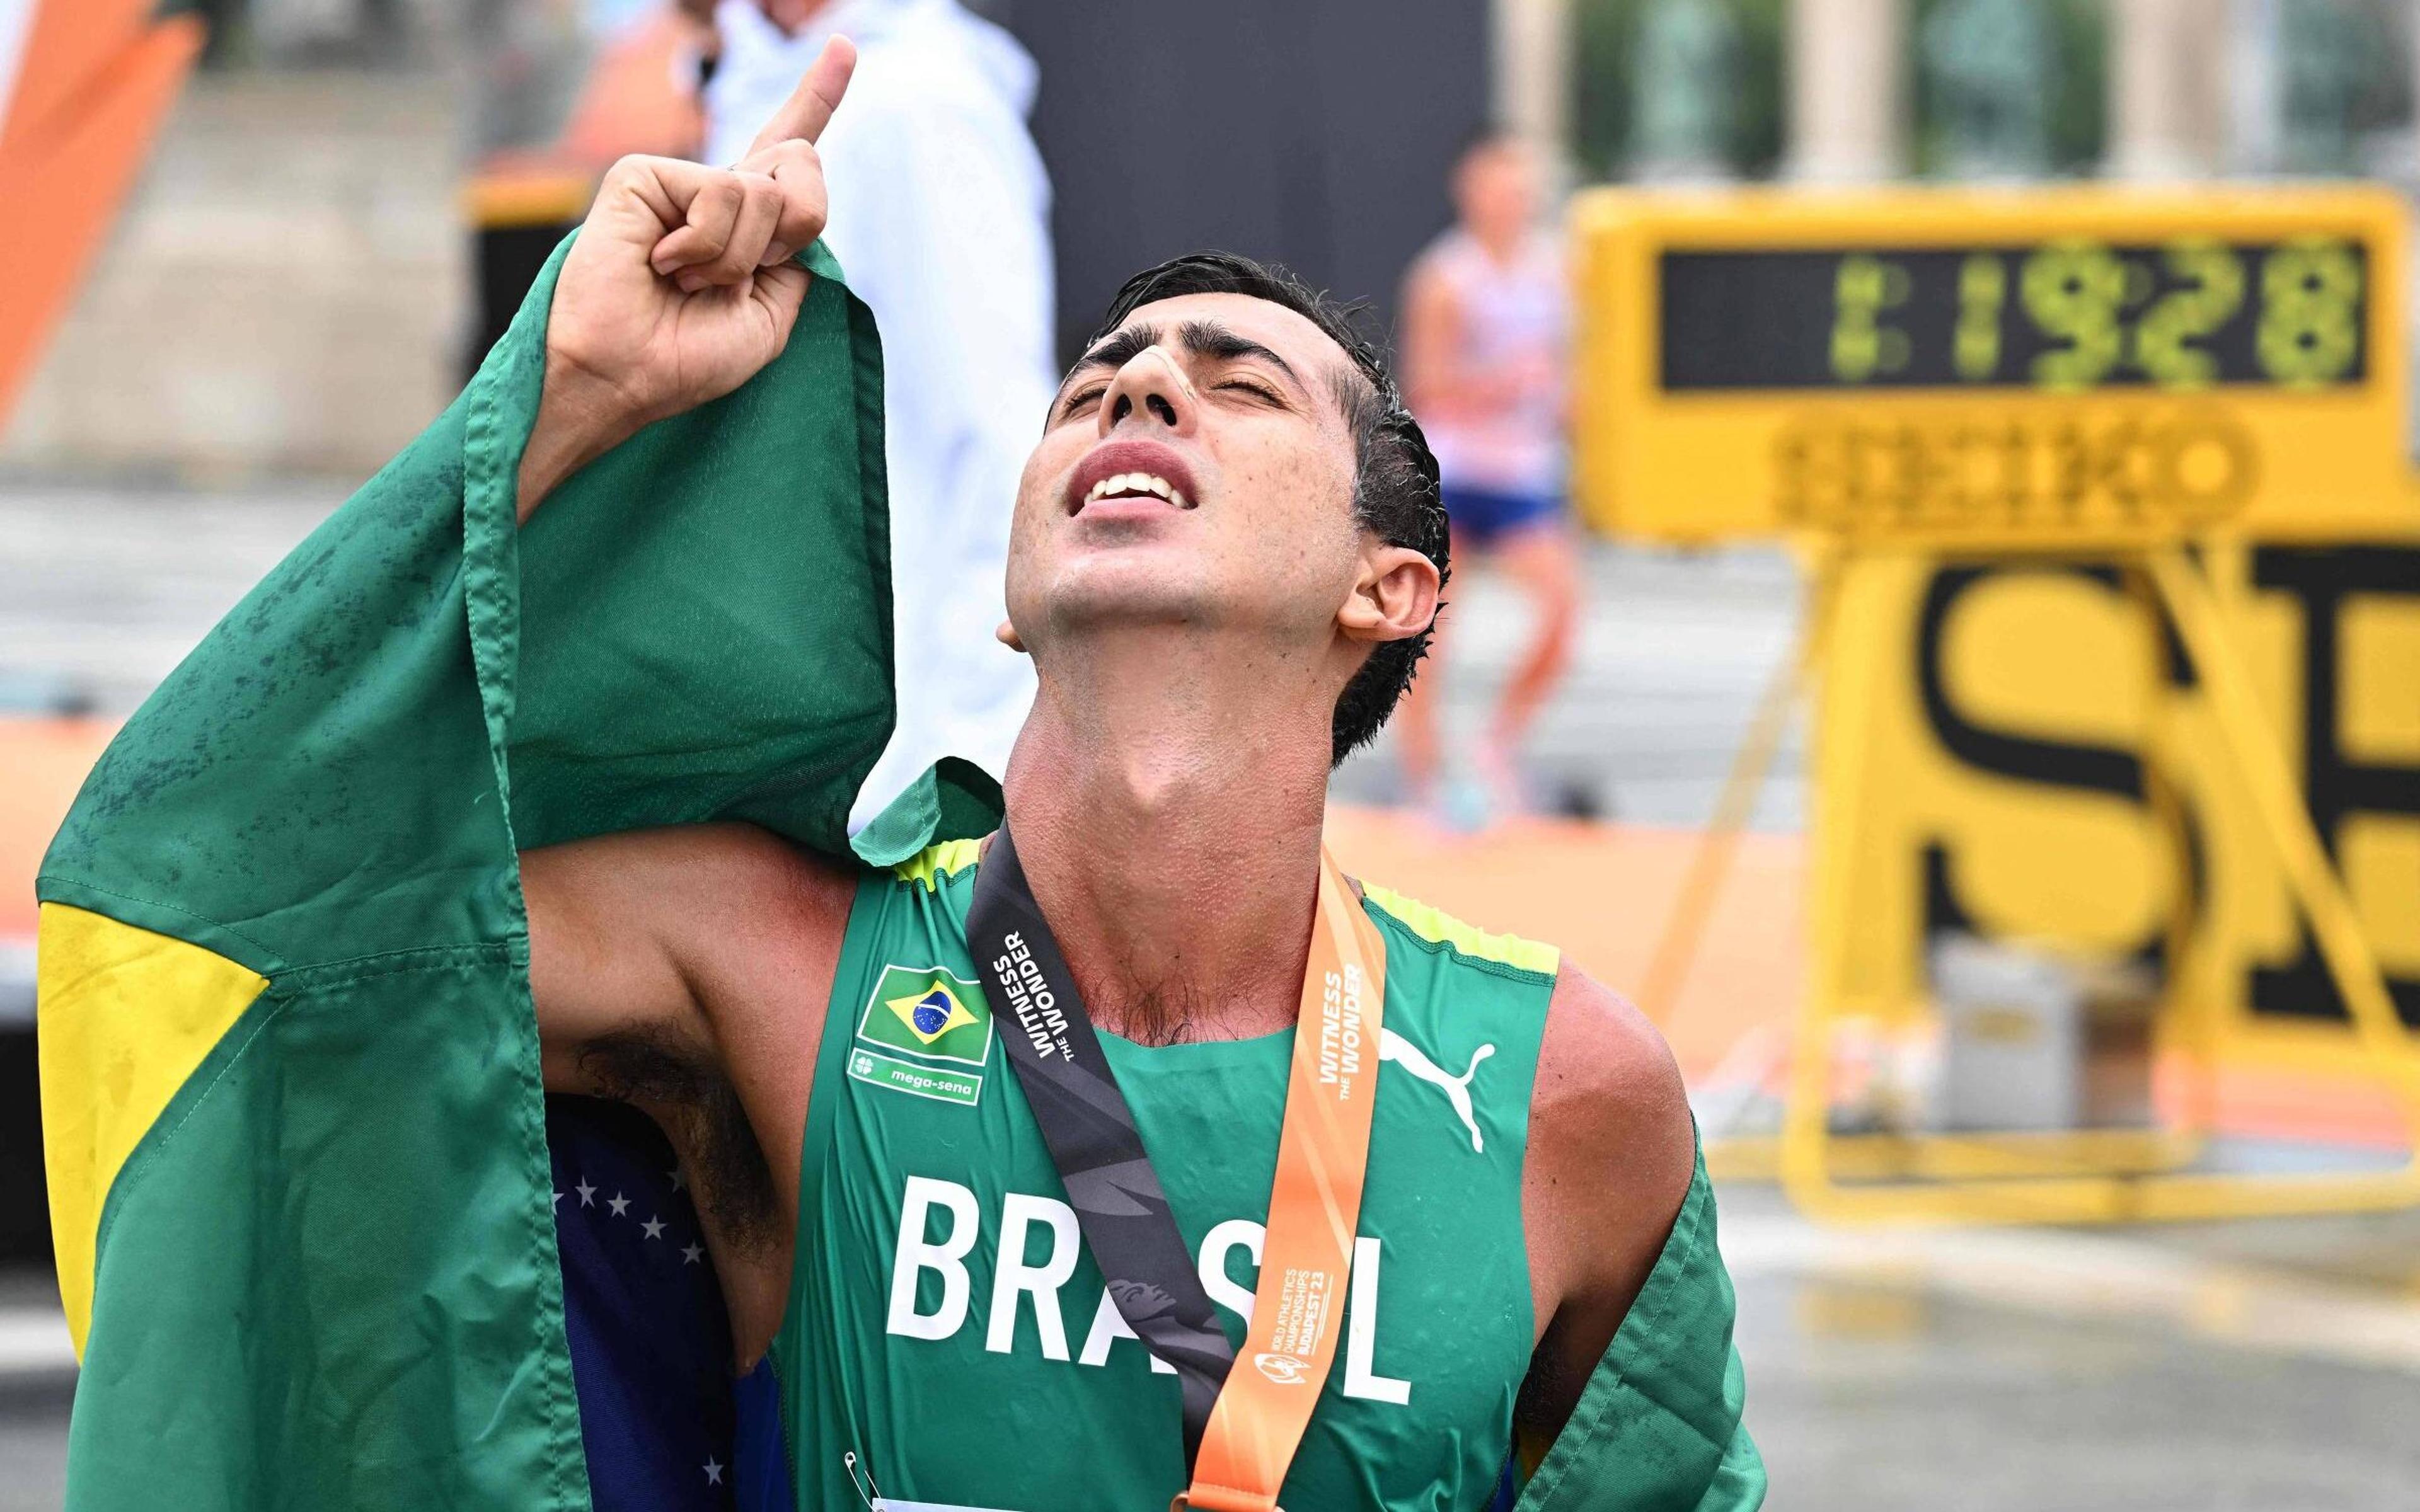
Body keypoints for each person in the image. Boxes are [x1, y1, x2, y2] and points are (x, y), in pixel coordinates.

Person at [447, 45, 1757, 1507]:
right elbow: (250, 902)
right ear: (1011, 592)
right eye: (1092, 386)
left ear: (1387, 587)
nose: (1136, 380)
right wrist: (561, 405)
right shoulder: (771, 961)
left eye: (1237, 384)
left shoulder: (1563, 1087)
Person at [700, 0, 1055, 823]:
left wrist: (970, 761)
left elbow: (995, 433)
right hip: (784, 719)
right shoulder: (757, 84)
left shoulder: (919, 102)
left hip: (894, 767)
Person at [1392, 129, 1582, 824]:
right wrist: (1507, 385)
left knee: (1563, 614)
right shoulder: (1446, 277)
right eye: (1497, 185)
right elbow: (1429, 385)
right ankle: (1425, 785)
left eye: (1520, 185)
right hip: (1458, 473)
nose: (1511, 199)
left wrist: (1567, 403)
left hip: (1525, 476)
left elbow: (1570, 373)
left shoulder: (1556, 271)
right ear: (1470, 191)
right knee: (1431, 629)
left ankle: (1496, 747)